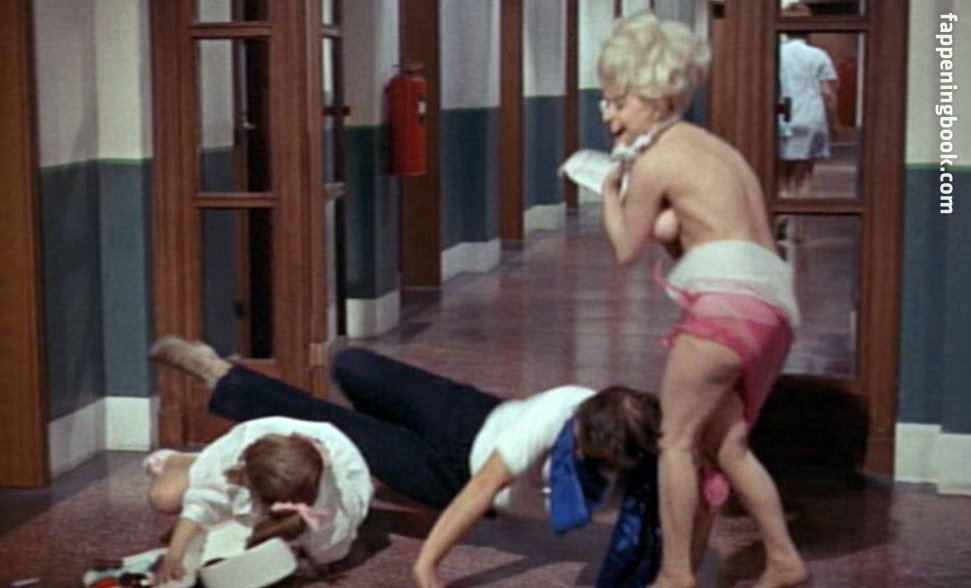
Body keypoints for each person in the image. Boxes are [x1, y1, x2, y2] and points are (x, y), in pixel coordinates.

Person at [148, 336, 682, 588]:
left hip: (449, 477)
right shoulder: (560, 409)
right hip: (472, 418)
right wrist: (428, 568)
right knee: (355, 367)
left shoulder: (652, 463)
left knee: (340, 429)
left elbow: (474, 494)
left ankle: (219, 375)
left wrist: (426, 569)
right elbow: (488, 484)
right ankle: (334, 365)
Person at [596, 10, 808, 588]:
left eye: (618, 101)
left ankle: (675, 574)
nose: (609, 115)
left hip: (725, 306)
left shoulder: (654, 161)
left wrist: (610, 191)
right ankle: (784, 560)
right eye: (606, 101)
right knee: (729, 444)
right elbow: (695, 228)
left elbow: (626, 248)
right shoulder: (718, 151)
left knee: (676, 441)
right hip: (773, 307)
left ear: (654, 95)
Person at [144, 400, 373, 582]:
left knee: (313, 550)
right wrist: (174, 555)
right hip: (249, 460)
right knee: (163, 498)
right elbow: (202, 502)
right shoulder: (238, 456)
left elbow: (331, 547)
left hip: (323, 473)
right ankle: (184, 462)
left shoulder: (337, 497)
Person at [778, 2, 839, 198]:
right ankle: (801, 213)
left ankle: (783, 209)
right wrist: (834, 124)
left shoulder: (776, 54)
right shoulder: (819, 56)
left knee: (781, 177)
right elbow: (827, 94)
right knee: (805, 176)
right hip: (812, 118)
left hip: (783, 119)